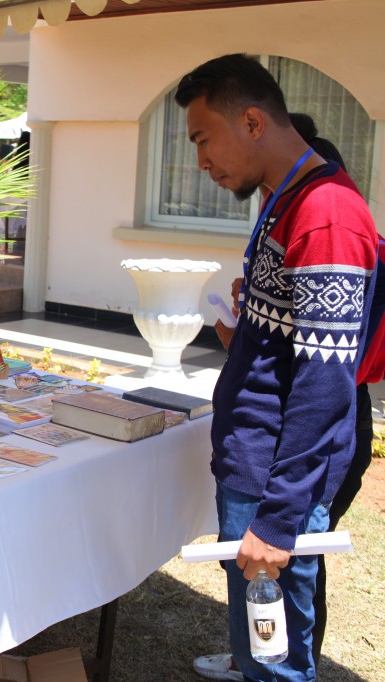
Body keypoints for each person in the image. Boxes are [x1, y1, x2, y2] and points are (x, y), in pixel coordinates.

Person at [174, 54, 378, 682]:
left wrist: (278, 517)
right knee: (260, 650)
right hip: (255, 462)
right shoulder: (286, 202)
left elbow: (324, 383)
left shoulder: (326, 215)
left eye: (205, 138)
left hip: (274, 478)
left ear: (254, 121)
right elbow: (296, 345)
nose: (201, 162)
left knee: (276, 661)